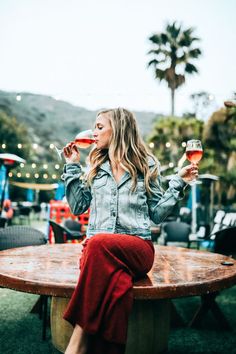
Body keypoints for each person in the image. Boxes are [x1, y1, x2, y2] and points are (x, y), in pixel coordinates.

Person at [61, 108, 198, 354]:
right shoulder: (95, 164)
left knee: (97, 243)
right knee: (117, 286)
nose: (94, 132)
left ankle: (78, 341)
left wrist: (178, 182)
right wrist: (72, 167)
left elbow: (157, 213)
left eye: (100, 127)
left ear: (119, 129)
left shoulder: (147, 164)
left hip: (137, 248)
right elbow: (78, 206)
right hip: (97, 254)